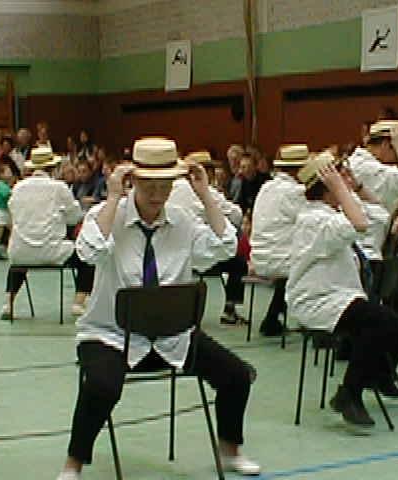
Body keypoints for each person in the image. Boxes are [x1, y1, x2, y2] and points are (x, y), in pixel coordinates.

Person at [55, 138, 260, 480]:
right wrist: (113, 197)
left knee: (237, 376)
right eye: (148, 184)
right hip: (110, 335)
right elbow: (89, 251)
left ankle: (230, 450)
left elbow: (226, 247)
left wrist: (205, 195)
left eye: (164, 185)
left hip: (172, 336)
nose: (156, 193)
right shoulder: (107, 215)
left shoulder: (182, 220)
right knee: (102, 386)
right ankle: (72, 464)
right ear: (132, 180)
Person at [287, 151, 398, 428]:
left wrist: (353, 187)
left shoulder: (333, 212)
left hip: (338, 293)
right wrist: (341, 188)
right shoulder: (314, 219)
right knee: (382, 320)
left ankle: (373, 376)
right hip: (316, 299)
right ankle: (350, 392)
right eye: (338, 178)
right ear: (327, 188)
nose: (345, 180)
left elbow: (379, 216)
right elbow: (359, 223)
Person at [0, 146, 93, 319]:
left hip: (19, 252)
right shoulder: (59, 188)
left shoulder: (18, 188)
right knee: (87, 256)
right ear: (53, 168)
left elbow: (11, 213)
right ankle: (78, 303)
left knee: (20, 259)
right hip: (52, 251)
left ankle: (8, 304)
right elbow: (74, 217)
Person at [167, 151, 246, 324]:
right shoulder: (205, 191)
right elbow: (236, 215)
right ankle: (230, 309)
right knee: (238, 260)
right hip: (198, 254)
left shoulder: (171, 188)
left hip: (175, 256)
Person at [250, 144, 308, 336]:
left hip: (258, 256)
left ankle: (273, 318)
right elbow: (311, 220)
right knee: (319, 262)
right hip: (280, 259)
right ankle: (317, 324)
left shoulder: (266, 187)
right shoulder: (296, 192)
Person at [348, 120, 398, 214]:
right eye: (396, 148)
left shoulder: (359, 162)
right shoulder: (370, 168)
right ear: (385, 144)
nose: (397, 157)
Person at [0, 165, 15, 260]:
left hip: (6, 211)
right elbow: (7, 194)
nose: (10, 173)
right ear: (1, 175)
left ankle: (11, 248)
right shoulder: (0, 184)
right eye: (8, 172)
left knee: (13, 229)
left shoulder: (6, 184)